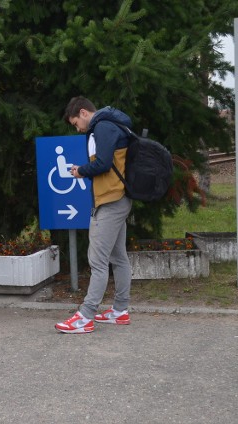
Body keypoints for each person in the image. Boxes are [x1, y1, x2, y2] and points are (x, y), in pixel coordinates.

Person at [54, 96, 133, 334]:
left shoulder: (103, 127)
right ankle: (120, 310)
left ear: (83, 112)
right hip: (116, 199)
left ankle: (85, 316)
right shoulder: (109, 125)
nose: (77, 128)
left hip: (110, 201)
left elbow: (104, 164)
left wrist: (80, 171)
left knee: (97, 262)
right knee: (119, 258)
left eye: (76, 122)